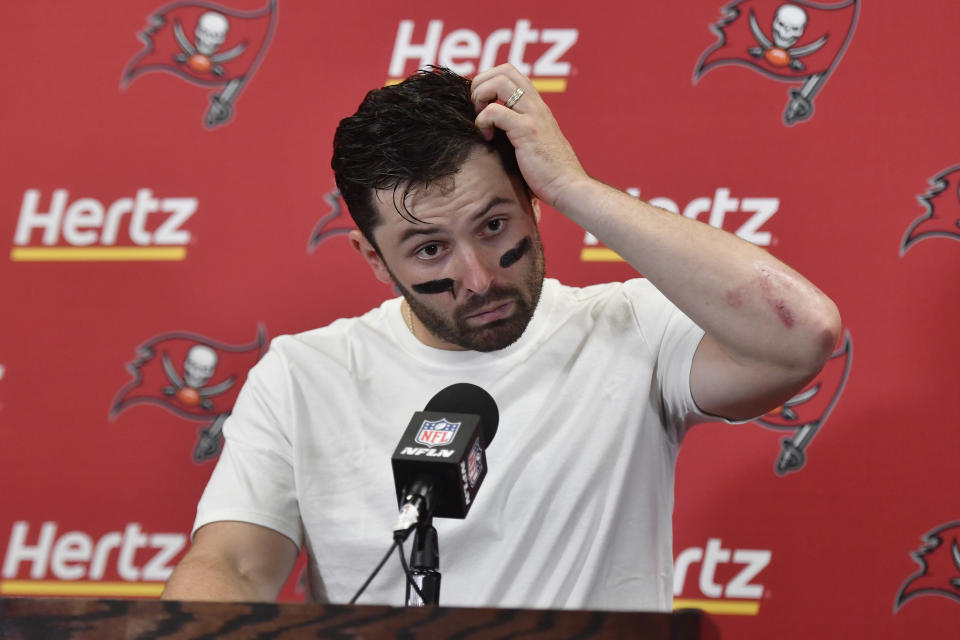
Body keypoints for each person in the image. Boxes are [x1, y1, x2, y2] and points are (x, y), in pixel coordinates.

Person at [162, 65, 841, 611]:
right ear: (373, 259)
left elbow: (801, 334)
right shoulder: (301, 373)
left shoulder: (629, 326)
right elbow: (232, 565)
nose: (479, 278)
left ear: (530, 201)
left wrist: (575, 185)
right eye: (429, 250)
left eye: (493, 225)